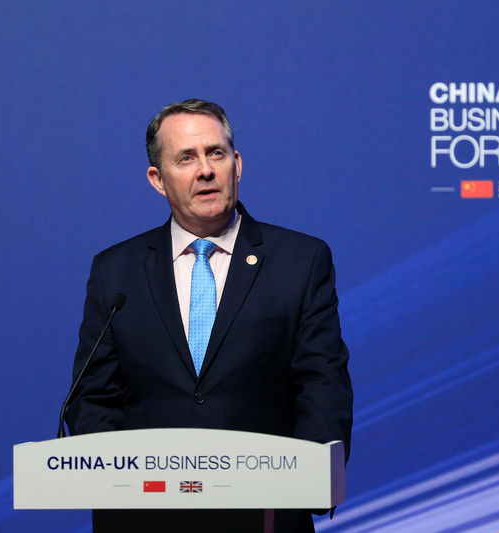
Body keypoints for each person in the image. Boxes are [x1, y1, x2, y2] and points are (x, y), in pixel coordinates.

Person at [65, 99, 353, 532]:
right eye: (186, 158)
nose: (205, 170)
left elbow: (321, 384)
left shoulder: (300, 260)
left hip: (264, 516)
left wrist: (308, 481)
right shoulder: (116, 270)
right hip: (145, 518)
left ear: (237, 164)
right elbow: (93, 397)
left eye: (215, 153)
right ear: (157, 180)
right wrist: (118, 484)